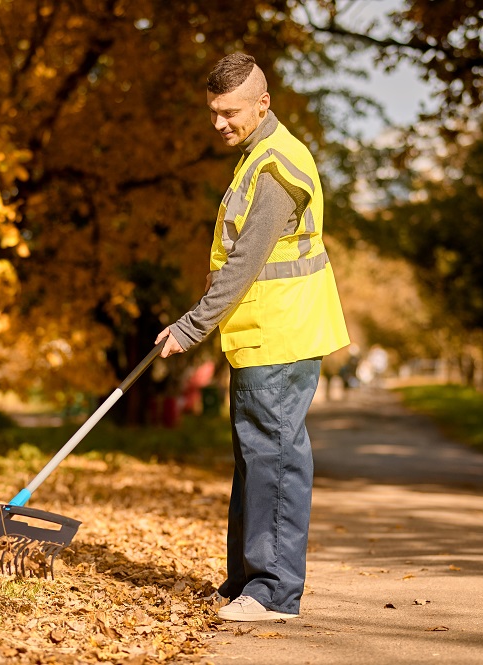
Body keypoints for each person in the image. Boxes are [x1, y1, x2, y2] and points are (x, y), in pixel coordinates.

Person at [155, 53, 350, 622]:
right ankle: (245, 581)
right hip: (260, 333)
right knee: (255, 456)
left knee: (276, 456)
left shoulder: (274, 167)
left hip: (281, 333)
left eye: (230, 111)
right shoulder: (255, 156)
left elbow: (243, 264)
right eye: (214, 112)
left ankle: (273, 593)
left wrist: (191, 326)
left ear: (262, 104)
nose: (219, 122)